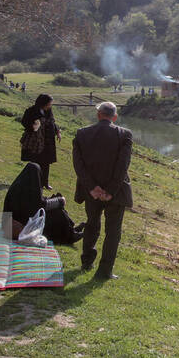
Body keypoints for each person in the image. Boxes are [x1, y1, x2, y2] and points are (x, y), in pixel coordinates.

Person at [72, 102, 133, 280]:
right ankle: (105, 271)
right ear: (114, 117)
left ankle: (86, 262)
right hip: (116, 192)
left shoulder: (81, 133)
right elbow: (123, 166)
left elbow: (78, 165)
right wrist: (111, 190)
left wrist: (92, 187)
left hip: (91, 192)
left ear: (98, 115)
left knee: (92, 224)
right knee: (113, 231)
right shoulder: (125, 135)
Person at [3, 163, 84, 244]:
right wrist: (59, 201)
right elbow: (39, 205)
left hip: (22, 219)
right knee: (56, 214)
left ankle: (71, 230)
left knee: (56, 208)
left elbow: (36, 201)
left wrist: (56, 200)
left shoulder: (20, 186)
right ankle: (70, 236)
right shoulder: (22, 190)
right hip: (18, 224)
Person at [21, 94, 61, 190]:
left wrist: (58, 132)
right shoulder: (31, 111)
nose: (50, 106)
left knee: (46, 162)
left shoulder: (48, 111)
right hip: (36, 141)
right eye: (49, 104)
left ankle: (45, 183)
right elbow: (24, 122)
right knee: (35, 162)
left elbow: (52, 122)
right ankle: (34, 182)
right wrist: (33, 126)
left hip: (47, 141)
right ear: (43, 103)